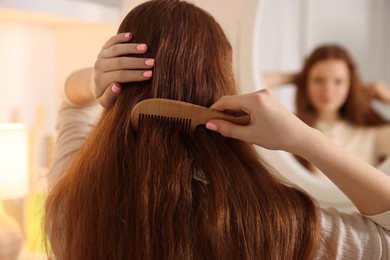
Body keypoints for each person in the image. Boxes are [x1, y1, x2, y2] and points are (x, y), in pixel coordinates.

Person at [45, 1, 390, 259]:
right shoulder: (268, 223)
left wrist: (94, 78)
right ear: (220, 83)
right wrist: (302, 138)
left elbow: (72, 104)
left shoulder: (70, 207)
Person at [262, 45, 390, 172]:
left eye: (338, 81)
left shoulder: (371, 133)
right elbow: (248, 85)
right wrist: (297, 78)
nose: (327, 89)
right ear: (307, 82)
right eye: (318, 80)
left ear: (350, 86)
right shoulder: (289, 125)